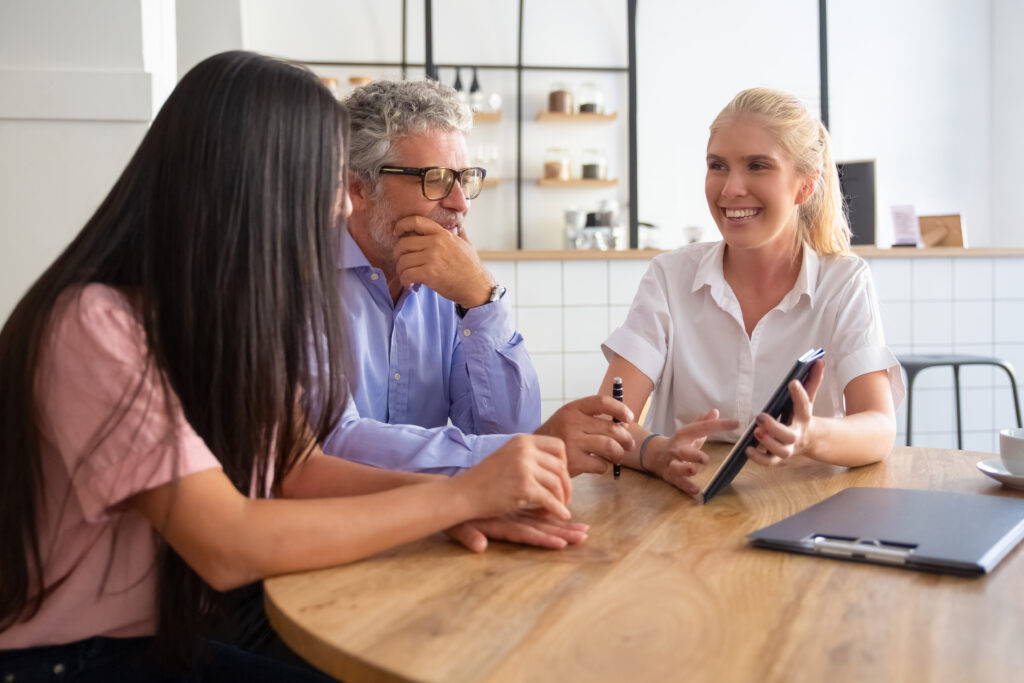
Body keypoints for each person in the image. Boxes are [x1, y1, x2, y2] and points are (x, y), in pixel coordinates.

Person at [0, 51, 585, 681]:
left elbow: (300, 467)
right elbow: (226, 546)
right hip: (72, 659)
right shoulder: (93, 323)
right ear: (257, 184)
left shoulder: (217, 310)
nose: (341, 207)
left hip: (182, 621)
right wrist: (462, 495)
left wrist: (464, 502)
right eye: (332, 182)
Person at [599, 87, 904, 497]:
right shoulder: (669, 276)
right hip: (679, 514)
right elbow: (609, 422)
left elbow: (880, 428)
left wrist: (809, 435)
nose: (730, 189)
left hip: (799, 508)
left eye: (758, 166)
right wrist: (656, 452)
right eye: (717, 166)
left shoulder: (844, 282)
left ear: (805, 186)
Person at [319, 79, 633, 477]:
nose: (460, 203)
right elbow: (332, 444)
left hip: (440, 524)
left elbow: (510, 430)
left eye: (464, 179)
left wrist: (481, 299)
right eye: (435, 179)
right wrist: (520, 455)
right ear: (357, 188)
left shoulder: (453, 283)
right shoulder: (298, 280)